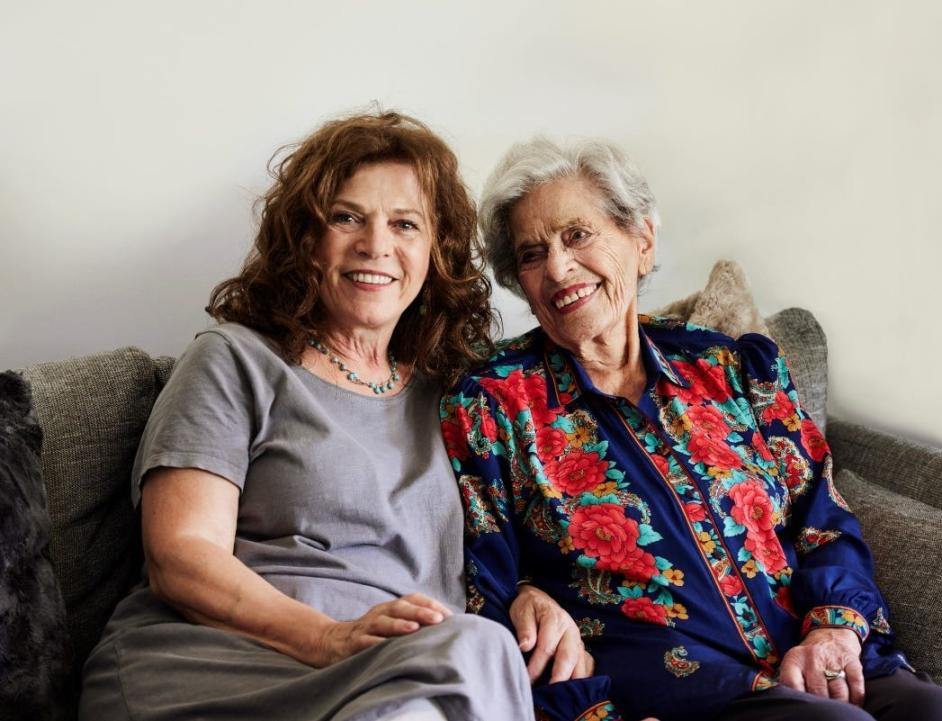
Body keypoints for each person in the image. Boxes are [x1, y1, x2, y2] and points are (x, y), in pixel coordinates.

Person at [79, 112, 592, 721]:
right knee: (472, 654)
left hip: (404, 681)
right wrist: (327, 639)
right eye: (347, 217)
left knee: (440, 690)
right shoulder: (236, 361)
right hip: (222, 665)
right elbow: (180, 555)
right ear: (305, 238)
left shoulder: (459, 395)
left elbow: (492, 550)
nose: (376, 245)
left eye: (405, 224)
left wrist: (527, 595)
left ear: (437, 251)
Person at [440, 136, 942, 721]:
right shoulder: (490, 406)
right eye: (532, 254)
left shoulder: (733, 369)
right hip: (683, 697)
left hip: (822, 660)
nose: (558, 268)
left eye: (577, 235)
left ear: (642, 242)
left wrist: (834, 631)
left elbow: (824, 520)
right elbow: (485, 591)